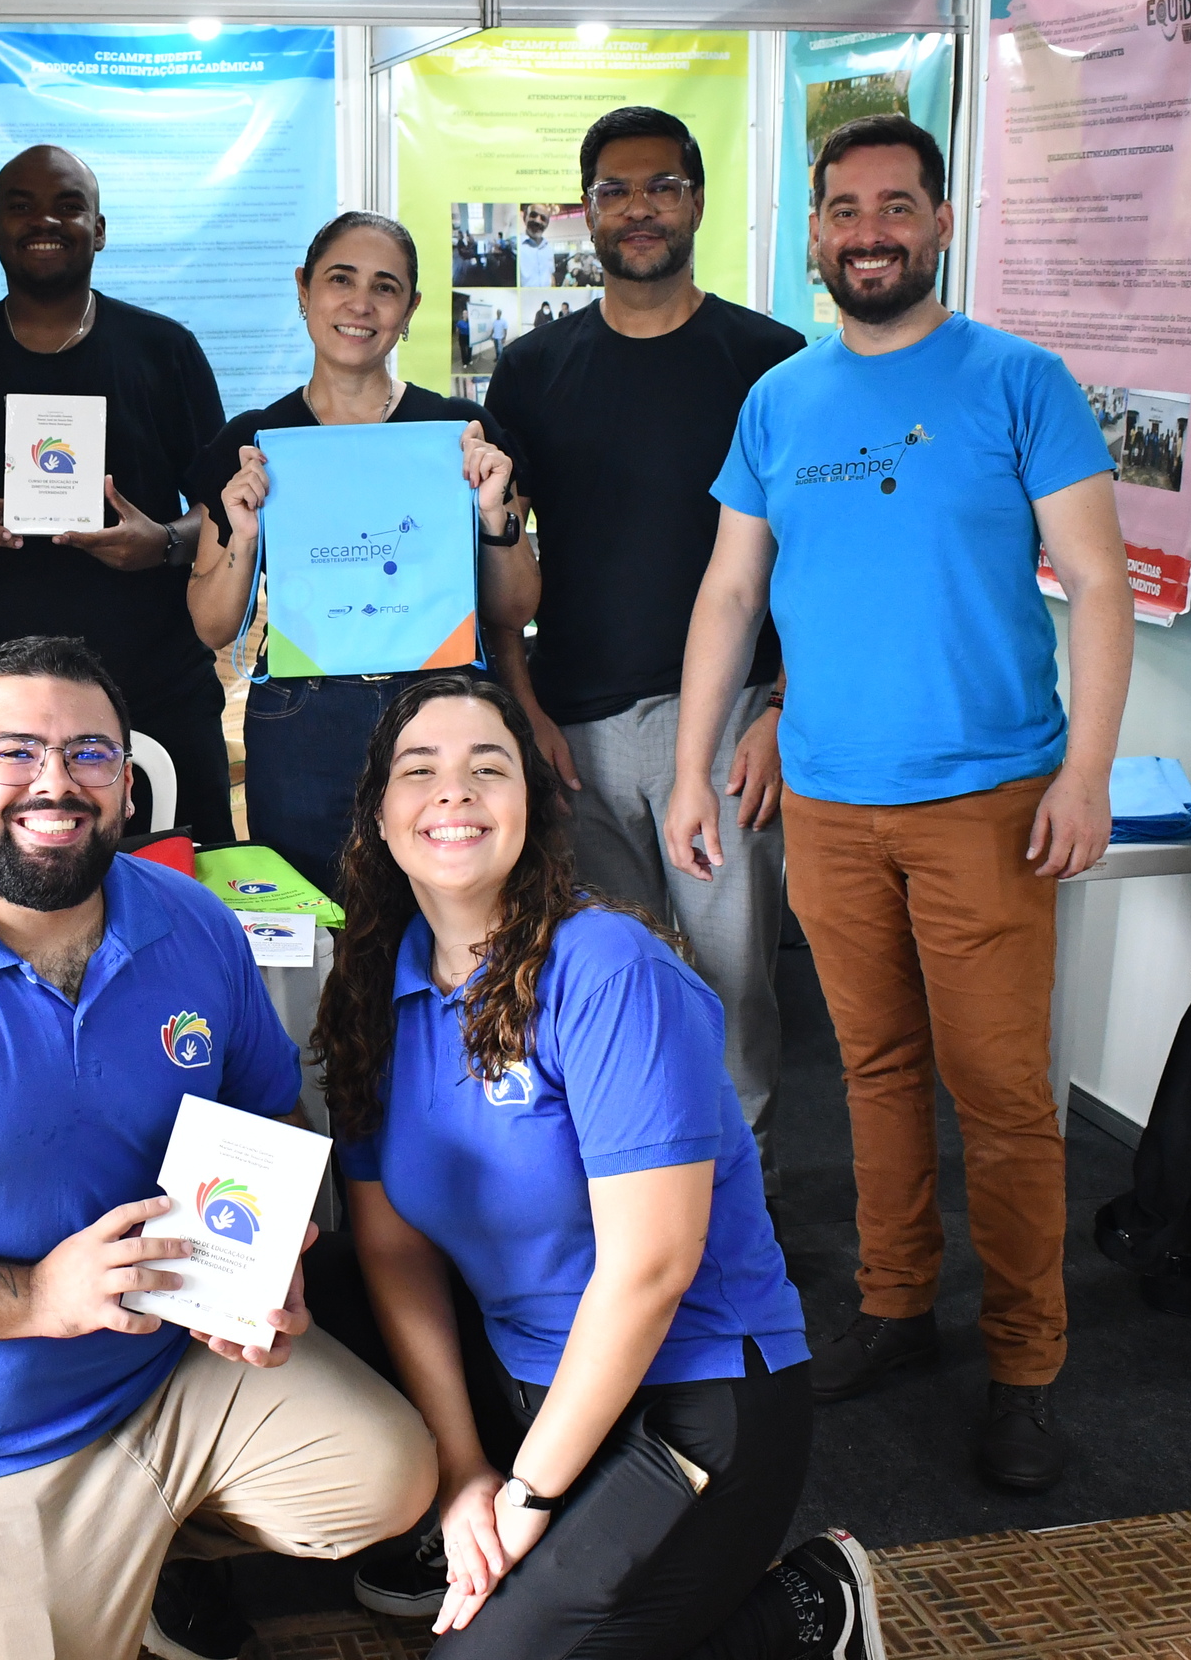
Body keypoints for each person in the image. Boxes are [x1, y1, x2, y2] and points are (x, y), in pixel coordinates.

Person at [0, 635, 433, 1660]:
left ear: (127, 778)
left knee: (386, 1476)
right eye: (15, 752)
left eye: (90, 754)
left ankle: (142, 1550)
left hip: (173, 1366)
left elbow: (266, 1121)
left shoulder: (194, 925)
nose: (55, 783)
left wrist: (270, 1260)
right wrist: (37, 1300)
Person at [664, 113, 1134, 1494]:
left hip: (989, 800)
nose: (869, 231)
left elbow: (1100, 585)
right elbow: (731, 592)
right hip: (825, 803)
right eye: (844, 209)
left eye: (896, 206)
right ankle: (890, 1305)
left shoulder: (1019, 381)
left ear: (938, 224)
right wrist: (695, 764)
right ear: (815, 232)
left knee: (999, 1100)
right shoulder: (781, 402)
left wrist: (1089, 769)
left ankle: (1025, 1366)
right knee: (868, 1075)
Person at [321, 671, 878, 1660]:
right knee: (318, 1274)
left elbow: (651, 1270)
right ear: (379, 811)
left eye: (487, 768)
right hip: (524, 1378)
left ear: (532, 802)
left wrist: (527, 1495)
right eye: (421, 770)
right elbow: (392, 1245)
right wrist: (458, 1471)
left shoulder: (607, 966)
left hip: (695, 1397)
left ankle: (803, 1607)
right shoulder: (376, 982)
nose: (453, 793)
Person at [484, 105, 808, 1191]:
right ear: (586, 210)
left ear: (698, 199)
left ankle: (738, 1216)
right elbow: (504, 561)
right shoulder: (532, 370)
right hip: (574, 725)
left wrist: (777, 709)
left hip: (719, 731)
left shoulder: (770, 361)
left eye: (662, 186)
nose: (639, 209)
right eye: (616, 190)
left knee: (731, 985)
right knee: (611, 982)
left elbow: (816, 558)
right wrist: (524, 710)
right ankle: (630, 1207)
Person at [181, 211, 538, 898]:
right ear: (304, 289)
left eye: (385, 287)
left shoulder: (459, 436)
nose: (360, 304)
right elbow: (211, 625)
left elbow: (516, 605)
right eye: (340, 280)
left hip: (442, 711)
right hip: (303, 720)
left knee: (453, 920)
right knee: (318, 931)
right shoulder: (253, 440)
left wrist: (494, 515)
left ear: (410, 310)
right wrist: (244, 537)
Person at [0, 146, 232, 840]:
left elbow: (224, 514)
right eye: (20, 206)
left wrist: (162, 543)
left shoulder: (165, 351)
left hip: (159, 688)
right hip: (9, 698)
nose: (43, 220)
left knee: (187, 888)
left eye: (68, 205)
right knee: (24, 893)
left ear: (99, 229)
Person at [515, 206, 559, 289]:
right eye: (533, 215)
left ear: (547, 224)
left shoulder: (548, 248)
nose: (537, 221)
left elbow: (551, 277)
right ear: (525, 217)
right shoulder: (516, 246)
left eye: (543, 218)